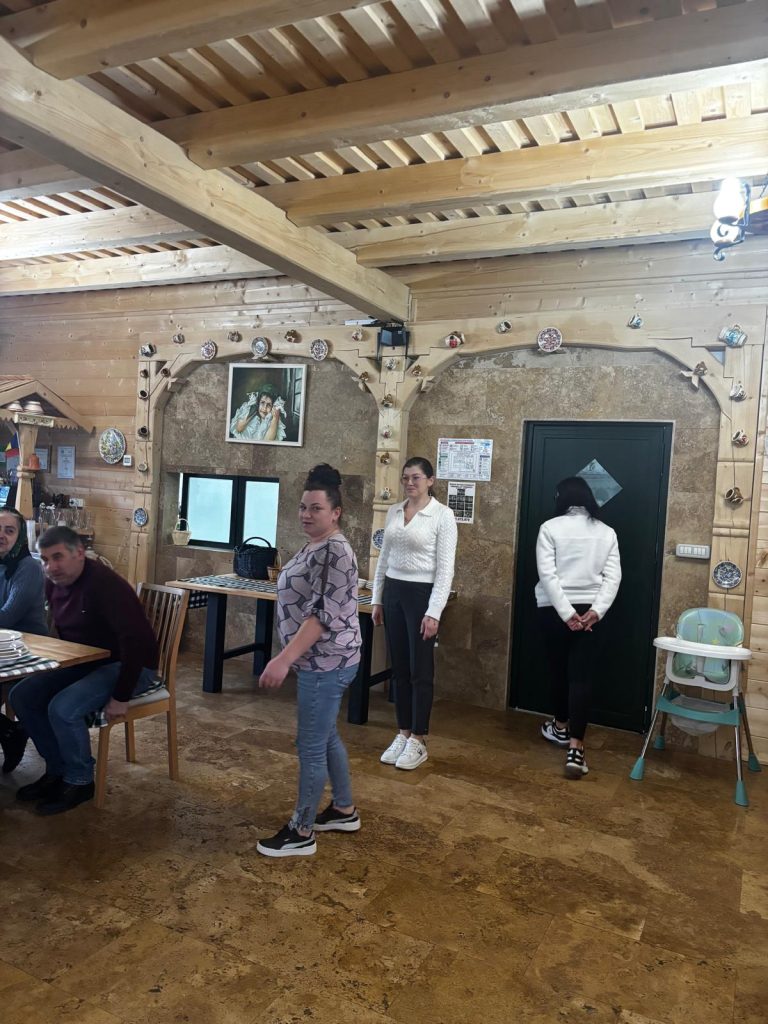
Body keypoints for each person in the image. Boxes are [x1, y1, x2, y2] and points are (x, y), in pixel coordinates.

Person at [10, 526, 159, 815]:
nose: (50, 567)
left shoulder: (106, 585)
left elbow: (136, 642)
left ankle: (80, 781)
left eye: (57, 557)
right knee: (22, 696)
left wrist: (121, 696)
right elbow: (64, 632)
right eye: (45, 560)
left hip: (131, 665)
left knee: (63, 708)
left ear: (79, 553)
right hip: (87, 660)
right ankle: (57, 770)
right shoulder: (54, 582)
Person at [256, 464, 362, 858]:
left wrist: (283, 659)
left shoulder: (335, 551)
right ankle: (344, 809)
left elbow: (321, 617)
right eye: (303, 507)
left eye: (316, 508)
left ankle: (301, 832)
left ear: (336, 512)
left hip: (325, 663)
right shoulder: (317, 543)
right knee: (325, 735)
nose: (306, 514)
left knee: (311, 745)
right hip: (323, 660)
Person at [371, 457, 457, 771]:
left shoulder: (443, 515)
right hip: (393, 592)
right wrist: (378, 599)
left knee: (421, 670)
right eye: (406, 477)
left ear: (430, 480)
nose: (409, 483)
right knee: (400, 668)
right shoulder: (394, 511)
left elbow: (446, 569)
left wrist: (434, 612)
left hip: (422, 596)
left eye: (416, 477)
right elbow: (384, 558)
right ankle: (403, 732)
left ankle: (419, 738)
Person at [535, 476, 621, 778]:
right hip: (592, 613)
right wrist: (595, 612)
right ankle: (576, 749)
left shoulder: (550, 528)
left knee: (558, 670)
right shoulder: (607, 532)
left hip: (553, 611)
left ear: (561, 497)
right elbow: (613, 578)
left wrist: (566, 614)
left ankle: (559, 726)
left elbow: (547, 575)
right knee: (581, 677)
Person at [0, 507, 47, 774]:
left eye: (9, 531)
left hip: (28, 651)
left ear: (19, 538)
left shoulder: (29, 567)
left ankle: (11, 734)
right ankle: (10, 732)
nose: (1, 535)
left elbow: (7, 617)